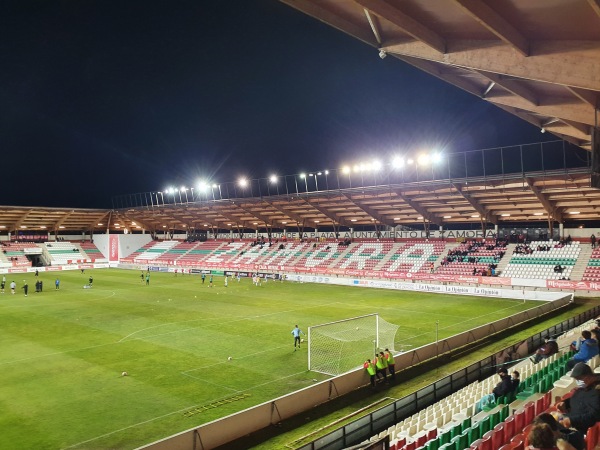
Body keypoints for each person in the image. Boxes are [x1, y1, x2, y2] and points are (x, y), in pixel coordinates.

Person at [556, 363, 600, 440]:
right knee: (547, 419)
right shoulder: (586, 387)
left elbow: (594, 415)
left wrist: (572, 421)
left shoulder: (596, 392)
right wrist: (566, 403)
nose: (577, 381)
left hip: (579, 430)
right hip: (570, 420)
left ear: (588, 377)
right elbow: (580, 398)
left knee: (547, 430)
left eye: (579, 379)